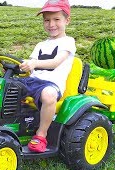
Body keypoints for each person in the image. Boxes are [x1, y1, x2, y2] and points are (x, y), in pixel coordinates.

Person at [18, 0, 76, 153]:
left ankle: (41, 135)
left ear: (67, 21)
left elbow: (55, 62)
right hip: (33, 80)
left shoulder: (68, 42)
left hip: (51, 84)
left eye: (56, 19)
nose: (51, 24)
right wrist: (21, 66)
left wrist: (34, 63)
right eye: (47, 20)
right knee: (7, 86)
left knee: (48, 95)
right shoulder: (40, 45)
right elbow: (31, 66)